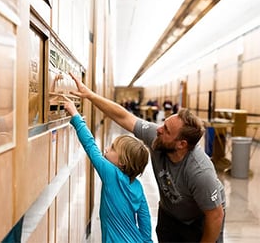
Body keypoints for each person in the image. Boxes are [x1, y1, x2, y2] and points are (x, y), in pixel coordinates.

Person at [67, 72, 225, 243]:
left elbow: (215, 216)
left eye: (167, 130)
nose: (158, 129)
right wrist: (89, 95)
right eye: (164, 124)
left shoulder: (200, 172)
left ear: (181, 144)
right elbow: (124, 116)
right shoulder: (157, 138)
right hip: (170, 214)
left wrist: (76, 117)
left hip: (200, 221)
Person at [60, 95, 152, 243]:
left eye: (113, 148)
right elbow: (145, 221)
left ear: (122, 162)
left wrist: (75, 115)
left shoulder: (111, 174)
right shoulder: (138, 187)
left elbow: (90, 146)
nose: (107, 148)